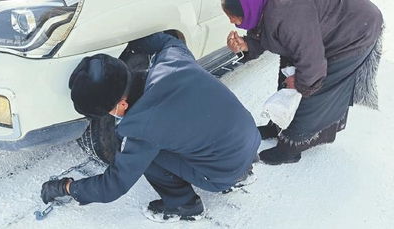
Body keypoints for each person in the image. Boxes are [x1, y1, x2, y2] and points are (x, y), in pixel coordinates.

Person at [40, 32, 261, 222]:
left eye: (108, 111)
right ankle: (242, 170)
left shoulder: (141, 128)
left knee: (147, 156)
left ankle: (184, 205)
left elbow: (112, 186)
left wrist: (66, 187)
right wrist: (129, 44)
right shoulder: (173, 57)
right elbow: (162, 40)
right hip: (249, 140)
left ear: (122, 104)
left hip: (223, 172)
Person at [221, 0, 383, 165]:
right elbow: (266, 35)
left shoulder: (289, 15)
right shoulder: (263, 2)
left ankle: (290, 149)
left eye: (233, 16)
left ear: (248, 8)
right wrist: (246, 45)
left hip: (354, 30)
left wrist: (300, 83)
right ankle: (278, 126)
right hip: (321, 29)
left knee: (314, 90)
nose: (232, 21)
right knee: (288, 75)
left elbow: (313, 64)